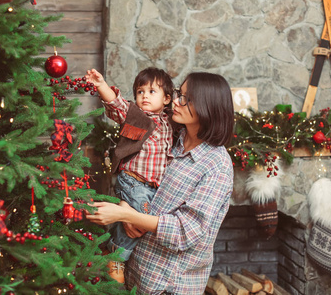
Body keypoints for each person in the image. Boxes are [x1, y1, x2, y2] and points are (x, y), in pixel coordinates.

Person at [86, 72, 235, 295]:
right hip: (135, 276)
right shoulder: (172, 138)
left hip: (168, 287)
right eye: (178, 94)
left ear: (206, 106)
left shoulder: (217, 166)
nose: (175, 101)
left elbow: (185, 232)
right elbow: (138, 181)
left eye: (184, 98)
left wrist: (125, 215)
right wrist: (125, 206)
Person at [84, 67, 175, 283]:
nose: (144, 96)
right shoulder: (136, 115)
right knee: (140, 221)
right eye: (140, 91)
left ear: (167, 98)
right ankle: (116, 257)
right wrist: (101, 85)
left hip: (153, 187)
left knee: (139, 220)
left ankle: (110, 247)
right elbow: (117, 106)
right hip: (134, 181)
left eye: (152, 92)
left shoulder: (172, 123)